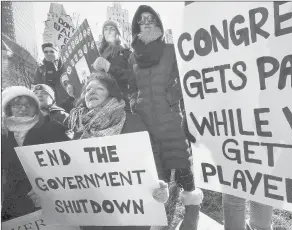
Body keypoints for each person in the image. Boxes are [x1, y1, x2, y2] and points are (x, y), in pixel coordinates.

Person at [129, 5, 203, 230]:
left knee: (182, 170)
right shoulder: (133, 55)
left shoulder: (171, 49)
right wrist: (135, 102)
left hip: (171, 121)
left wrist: (174, 95)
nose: (147, 22)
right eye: (142, 20)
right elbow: (131, 86)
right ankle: (161, 222)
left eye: (151, 18)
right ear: (137, 25)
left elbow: (188, 78)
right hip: (146, 125)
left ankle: (192, 219)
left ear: (158, 22)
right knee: (157, 178)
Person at [68, 71, 169, 230]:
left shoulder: (130, 120)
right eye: (88, 90)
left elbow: (151, 155)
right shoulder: (79, 128)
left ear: (110, 93)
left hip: (130, 209)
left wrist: (158, 184)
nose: (92, 92)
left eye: (99, 88)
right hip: (95, 210)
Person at [1, 86, 69, 222]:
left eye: (28, 104)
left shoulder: (53, 128)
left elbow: (70, 162)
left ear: (36, 108)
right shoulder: (3, 135)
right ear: (8, 108)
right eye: (17, 105)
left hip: (52, 201)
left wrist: (50, 184)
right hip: (14, 206)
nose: (23, 109)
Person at [92, 20, 133, 112]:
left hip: (119, 101)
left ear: (117, 33)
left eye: (112, 29)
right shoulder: (98, 54)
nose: (109, 31)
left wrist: (109, 68)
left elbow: (131, 77)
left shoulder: (126, 53)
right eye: (105, 29)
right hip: (100, 102)